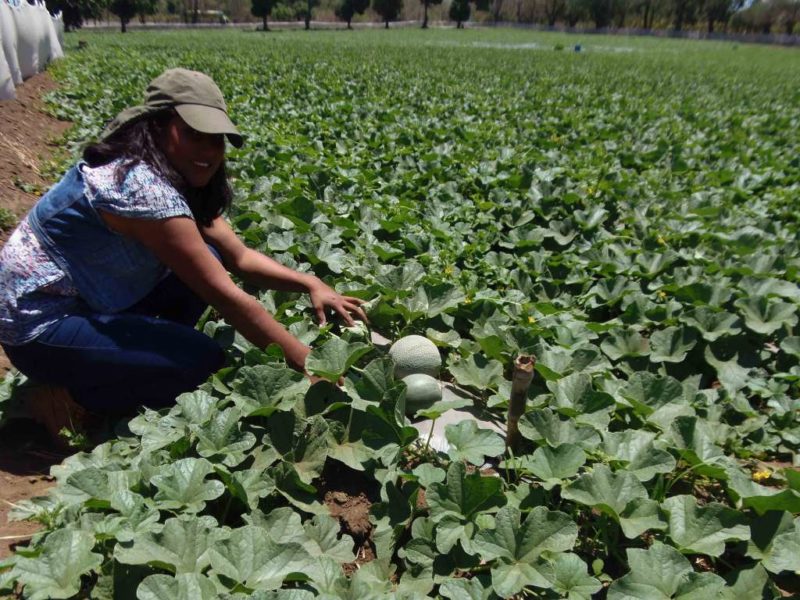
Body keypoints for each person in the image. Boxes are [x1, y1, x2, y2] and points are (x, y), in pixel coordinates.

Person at [0, 68, 367, 440]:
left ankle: (138, 357)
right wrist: (310, 364)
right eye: (194, 135)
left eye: (217, 140)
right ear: (157, 127)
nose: (209, 151)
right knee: (198, 362)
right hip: (38, 327)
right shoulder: (142, 187)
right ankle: (67, 397)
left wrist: (311, 283)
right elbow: (226, 295)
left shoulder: (174, 175)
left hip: (85, 300)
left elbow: (238, 257)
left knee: (207, 254)